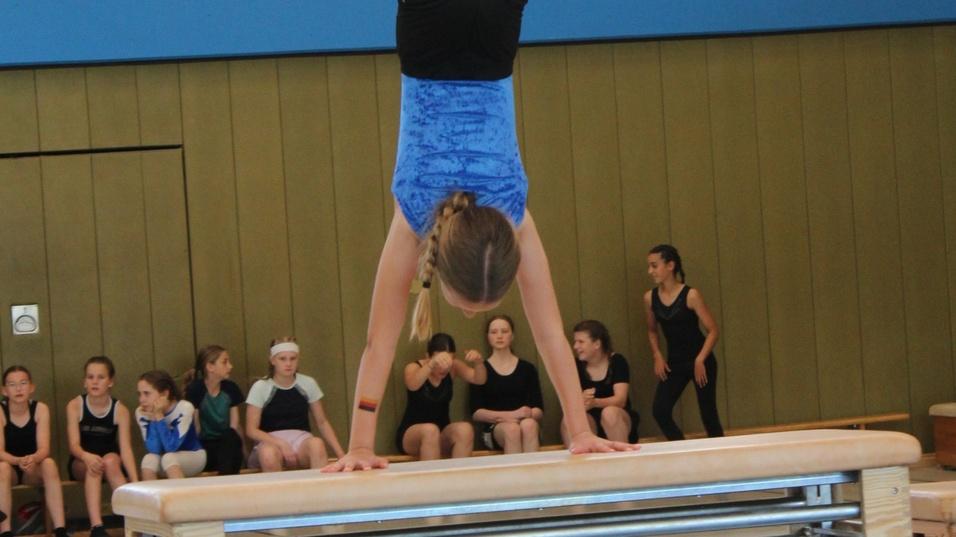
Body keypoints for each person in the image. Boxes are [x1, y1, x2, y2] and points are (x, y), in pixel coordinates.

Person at [326, 0, 635, 473]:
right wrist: (361, 445)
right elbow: (378, 344)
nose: (468, 313)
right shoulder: (416, 215)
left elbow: (551, 334)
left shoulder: (513, 213)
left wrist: (580, 429)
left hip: (492, 48)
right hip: (425, 47)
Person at [644, 244, 724, 440]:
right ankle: (682, 449)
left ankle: (721, 460)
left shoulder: (691, 295)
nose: (650, 271)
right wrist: (657, 355)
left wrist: (700, 359)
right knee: (660, 410)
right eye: (649, 266)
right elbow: (652, 330)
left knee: (708, 414)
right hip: (674, 363)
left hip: (701, 361)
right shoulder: (649, 298)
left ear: (670, 266)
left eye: (654, 266)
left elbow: (713, 330)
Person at [245, 337, 344, 471]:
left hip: (301, 442)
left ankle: (317, 490)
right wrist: (280, 443)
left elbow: (322, 422)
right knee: (268, 454)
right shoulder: (261, 387)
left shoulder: (308, 383)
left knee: (317, 445)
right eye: (283, 359)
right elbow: (251, 429)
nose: (288, 364)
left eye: (293, 358)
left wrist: (341, 455)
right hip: (270, 443)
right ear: (273, 360)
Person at [66, 356, 138, 537]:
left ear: (111, 382)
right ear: (84, 382)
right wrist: (86, 457)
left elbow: (126, 448)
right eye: (90, 377)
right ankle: (96, 526)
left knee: (111, 460)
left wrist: (135, 480)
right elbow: (74, 445)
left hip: (110, 461)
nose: (95, 382)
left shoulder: (120, 410)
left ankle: (136, 519)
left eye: (100, 377)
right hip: (82, 461)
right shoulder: (75, 406)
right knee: (95, 466)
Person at [0, 366, 68, 537]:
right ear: (4, 390)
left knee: (49, 463)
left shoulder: (40, 409)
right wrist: (17, 461)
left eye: (23, 383)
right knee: (2, 468)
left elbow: (44, 448)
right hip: (10, 468)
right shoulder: (1, 411)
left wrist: (33, 458)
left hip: (32, 467)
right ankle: (5, 530)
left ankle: (60, 528)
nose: (18, 388)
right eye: (12, 384)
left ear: (31, 387)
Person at [396, 333, 485, 460]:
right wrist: (432, 364)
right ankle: (432, 479)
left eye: (449, 361)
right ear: (428, 357)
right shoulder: (413, 367)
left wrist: (478, 362)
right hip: (412, 434)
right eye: (440, 362)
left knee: (465, 429)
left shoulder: (454, 367)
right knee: (430, 431)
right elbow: (413, 385)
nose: (444, 367)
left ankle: (458, 478)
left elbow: (479, 379)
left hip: (441, 432)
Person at [470, 315, 544, 454]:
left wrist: (527, 414)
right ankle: (516, 475)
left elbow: (538, 409)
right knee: (512, 429)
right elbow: (476, 412)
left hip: (525, 423)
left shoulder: (527, 369)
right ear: (488, 337)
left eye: (504, 331)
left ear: (512, 336)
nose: (499, 336)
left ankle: (534, 474)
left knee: (529, 425)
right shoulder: (481, 370)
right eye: (494, 332)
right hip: (495, 428)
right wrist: (509, 416)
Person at [562, 320, 639, 445]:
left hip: (617, 417)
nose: (575, 346)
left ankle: (622, 459)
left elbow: (620, 400)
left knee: (610, 413)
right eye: (575, 342)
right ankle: (581, 461)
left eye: (581, 342)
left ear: (597, 344)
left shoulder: (617, 361)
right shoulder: (574, 366)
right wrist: (579, 400)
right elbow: (568, 401)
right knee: (568, 420)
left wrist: (595, 402)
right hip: (589, 420)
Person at [184, 345, 245, 475]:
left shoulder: (230, 388)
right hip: (205, 446)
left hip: (227, 444)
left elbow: (234, 426)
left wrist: (245, 453)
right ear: (210, 367)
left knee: (230, 437)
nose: (230, 366)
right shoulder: (196, 390)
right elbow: (196, 428)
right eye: (224, 362)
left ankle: (226, 481)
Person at [136, 370, 207, 479]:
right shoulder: (141, 413)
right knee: (149, 459)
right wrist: (154, 417)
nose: (141, 400)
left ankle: (180, 496)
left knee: (169, 457)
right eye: (139, 394)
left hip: (194, 455)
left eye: (147, 393)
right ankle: (153, 495)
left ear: (164, 394)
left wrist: (159, 416)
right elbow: (154, 449)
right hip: (167, 459)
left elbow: (171, 446)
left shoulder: (184, 408)